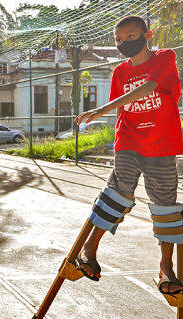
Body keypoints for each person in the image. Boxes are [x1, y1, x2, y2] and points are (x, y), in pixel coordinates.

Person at [74, 16, 183, 295]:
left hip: (161, 142)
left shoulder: (164, 57)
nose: (123, 44)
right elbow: (124, 109)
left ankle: (165, 268)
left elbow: (148, 88)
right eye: (118, 40)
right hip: (129, 139)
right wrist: (118, 131)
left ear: (148, 35)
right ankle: (90, 248)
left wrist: (101, 109)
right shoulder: (119, 72)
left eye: (130, 37)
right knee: (119, 190)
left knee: (165, 205)